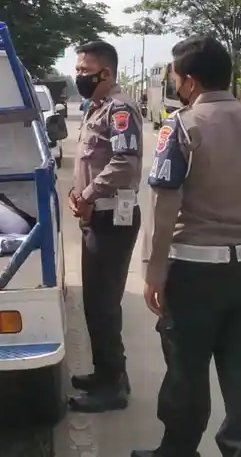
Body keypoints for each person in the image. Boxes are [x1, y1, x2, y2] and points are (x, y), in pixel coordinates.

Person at [133, 36, 241, 457]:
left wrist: (154, 271)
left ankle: (178, 450)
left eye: (175, 76)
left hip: (194, 274)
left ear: (190, 81)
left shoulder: (181, 125)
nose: (174, 83)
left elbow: (165, 205)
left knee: (186, 369)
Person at [67, 40, 143, 413]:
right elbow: (90, 160)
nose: (78, 76)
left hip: (113, 216)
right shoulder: (93, 108)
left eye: (84, 70)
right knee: (95, 302)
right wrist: (76, 191)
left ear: (106, 72)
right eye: (77, 69)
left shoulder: (120, 109)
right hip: (96, 213)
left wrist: (90, 193)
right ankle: (107, 372)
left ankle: (113, 386)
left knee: (104, 303)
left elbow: (125, 162)